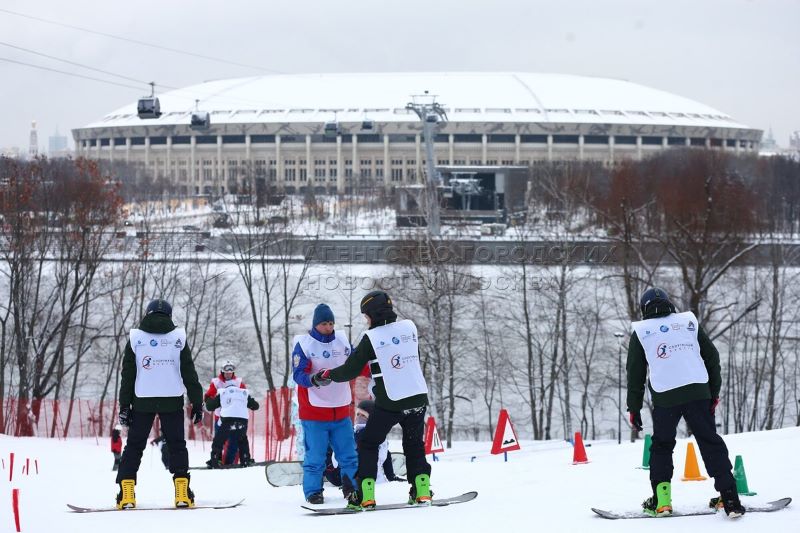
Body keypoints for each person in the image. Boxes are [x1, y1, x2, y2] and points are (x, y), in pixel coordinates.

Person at [627, 287, 745, 518]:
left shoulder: (641, 331)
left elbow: (635, 374)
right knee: (710, 442)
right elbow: (712, 356)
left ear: (644, 309)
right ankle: (730, 498)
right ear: (669, 303)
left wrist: (634, 407)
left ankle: (662, 502)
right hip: (698, 391)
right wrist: (714, 392)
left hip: (666, 396)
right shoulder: (688, 321)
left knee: (662, 445)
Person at [315, 290, 431, 510]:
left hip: (391, 401)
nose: (366, 320)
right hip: (417, 397)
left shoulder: (372, 337)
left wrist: (328, 375)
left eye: (366, 315)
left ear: (373, 313)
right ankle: (421, 490)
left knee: (368, 443)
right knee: (414, 444)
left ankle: (365, 494)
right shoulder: (409, 327)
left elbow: (350, 370)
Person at [115, 298, 204, 509]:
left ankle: (127, 494)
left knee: (134, 446)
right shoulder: (178, 338)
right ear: (169, 315)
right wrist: (197, 402)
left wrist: (124, 406)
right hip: (171, 400)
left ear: (148, 313)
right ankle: (182, 493)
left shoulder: (136, 338)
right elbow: (189, 374)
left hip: (142, 400)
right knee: (176, 445)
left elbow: (128, 376)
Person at [292, 303, 358, 504]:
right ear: (315, 324)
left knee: (348, 455)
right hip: (315, 413)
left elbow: (356, 361)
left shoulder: (342, 340)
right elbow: (298, 374)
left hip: (340, 410)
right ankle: (313, 491)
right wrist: (313, 379)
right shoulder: (304, 344)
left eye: (331, 323)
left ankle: (352, 488)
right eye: (324, 323)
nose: (328, 327)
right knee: (316, 457)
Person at [324, 399, 406, 486]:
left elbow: (386, 455)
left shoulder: (379, 435)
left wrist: (391, 476)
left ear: (372, 418)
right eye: (358, 414)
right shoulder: (354, 433)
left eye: (363, 415)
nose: (359, 417)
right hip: (338, 473)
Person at [203, 360, 250, 466]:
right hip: (220, 416)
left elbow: (244, 396)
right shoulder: (216, 382)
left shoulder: (239, 382)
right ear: (222, 371)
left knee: (234, 441)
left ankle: (229, 462)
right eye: (226, 372)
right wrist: (211, 401)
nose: (228, 374)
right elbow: (209, 395)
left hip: (235, 416)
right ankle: (217, 460)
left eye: (230, 372)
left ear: (233, 372)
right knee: (219, 440)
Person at [204, 386, 260, 467]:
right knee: (242, 440)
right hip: (242, 419)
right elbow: (256, 406)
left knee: (219, 440)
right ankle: (245, 459)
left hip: (228, 419)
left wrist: (208, 399)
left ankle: (215, 460)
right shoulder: (243, 394)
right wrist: (250, 401)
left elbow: (210, 407)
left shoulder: (223, 393)